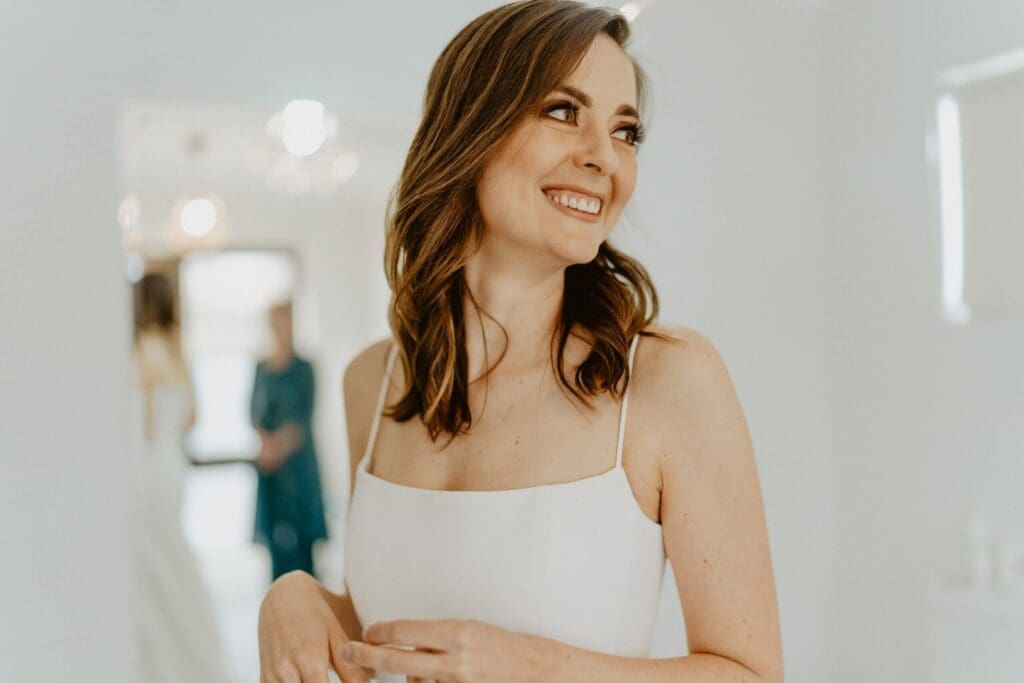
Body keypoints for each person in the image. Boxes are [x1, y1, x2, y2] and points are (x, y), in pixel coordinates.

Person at [257, 2, 783, 681]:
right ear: (471, 131)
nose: (604, 157)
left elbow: (752, 673)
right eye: (565, 111)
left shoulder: (669, 383)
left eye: (626, 131)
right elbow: (395, 624)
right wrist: (298, 596)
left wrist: (533, 665)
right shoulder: (375, 382)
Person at [128, 272, 233, 683]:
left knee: (152, 555)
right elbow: (192, 417)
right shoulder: (176, 349)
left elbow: (147, 421)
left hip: (151, 465)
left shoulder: (140, 350)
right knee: (172, 549)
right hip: (175, 465)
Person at [250, 300, 329, 581]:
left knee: (302, 542)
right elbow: (253, 413)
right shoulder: (261, 367)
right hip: (272, 467)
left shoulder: (304, 367)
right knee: (276, 540)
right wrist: (267, 444)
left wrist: (280, 445)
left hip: (298, 465)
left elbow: (304, 417)